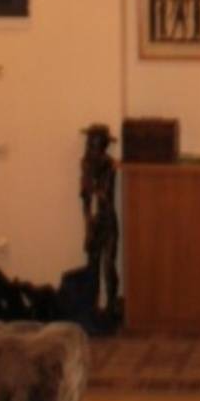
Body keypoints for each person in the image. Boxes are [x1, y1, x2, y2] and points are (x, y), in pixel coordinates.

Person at [80, 124, 120, 322]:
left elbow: (103, 195)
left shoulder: (109, 165)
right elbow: (86, 200)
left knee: (108, 265)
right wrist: (88, 226)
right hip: (94, 222)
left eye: (93, 144)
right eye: (89, 144)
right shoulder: (86, 165)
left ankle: (111, 307)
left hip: (108, 220)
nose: (89, 148)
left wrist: (94, 184)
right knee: (92, 265)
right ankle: (91, 306)